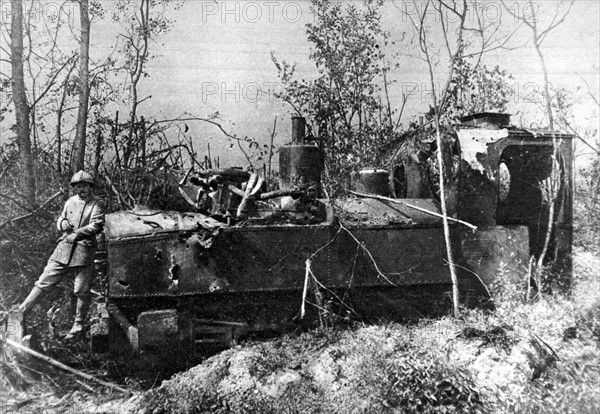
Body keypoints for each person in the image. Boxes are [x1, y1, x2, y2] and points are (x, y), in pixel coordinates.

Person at [13, 170, 105, 342]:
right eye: (77, 187)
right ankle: (21, 312)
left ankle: (78, 325)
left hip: (84, 248)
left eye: (84, 186)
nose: (80, 190)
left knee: (81, 290)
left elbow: (96, 225)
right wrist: (63, 224)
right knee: (44, 279)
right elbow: (60, 219)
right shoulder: (70, 202)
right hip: (64, 246)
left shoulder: (97, 203)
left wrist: (77, 234)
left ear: (90, 186)